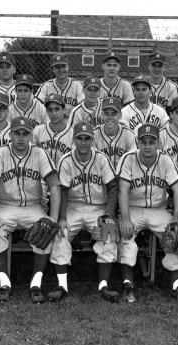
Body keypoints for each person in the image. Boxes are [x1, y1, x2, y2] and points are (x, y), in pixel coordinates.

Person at [0, 117, 60, 304]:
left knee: (46, 230)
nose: (21, 138)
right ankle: (4, 283)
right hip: (6, 206)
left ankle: (36, 283)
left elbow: (55, 187)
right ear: (10, 134)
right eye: (17, 133)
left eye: (25, 134)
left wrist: (53, 218)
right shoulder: (0, 153)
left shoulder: (39, 154)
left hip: (33, 207)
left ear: (30, 136)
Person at [49, 122, 121, 302]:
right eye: (79, 138)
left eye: (87, 138)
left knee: (109, 233)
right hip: (72, 207)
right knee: (61, 233)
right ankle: (62, 285)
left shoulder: (101, 159)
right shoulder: (66, 160)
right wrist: (62, 217)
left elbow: (113, 188)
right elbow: (63, 191)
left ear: (92, 139)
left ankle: (103, 285)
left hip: (98, 208)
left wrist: (109, 216)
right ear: (73, 140)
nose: (83, 142)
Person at [117, 124, 178, 304]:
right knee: (126, 238)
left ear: (158, 143)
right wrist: (125, 219)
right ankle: (128, 286)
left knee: (175, 237)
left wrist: (175, 219)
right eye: (144, 142)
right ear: (138, 143)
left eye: (152, 142)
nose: (148, 146)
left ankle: (176, 286)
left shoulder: (165, 160)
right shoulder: (128, 159)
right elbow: (123, 192)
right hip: (133, 209)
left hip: (158, 209)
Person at [36, 54, 84, 118]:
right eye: (58, 67)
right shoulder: (46, 86)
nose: (61, 70)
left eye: (63, 66)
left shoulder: (77, 85)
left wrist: (74, 110)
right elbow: (36, 105)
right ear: (53, 69)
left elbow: (84, 105)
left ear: (68, 67)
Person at [93, 97, 136, 168]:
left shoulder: (129, 135)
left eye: (113, 114)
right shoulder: (94, 134)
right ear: (102, 115)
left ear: (120, 115)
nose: (110, 117)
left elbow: (133, 162)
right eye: (106, 113)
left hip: (124, 175)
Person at [32, 94, 73, 165]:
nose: (53, 114)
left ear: (63, 110)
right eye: (50, 110)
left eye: (57, 109)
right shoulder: (38, 131)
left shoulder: (73, 134)